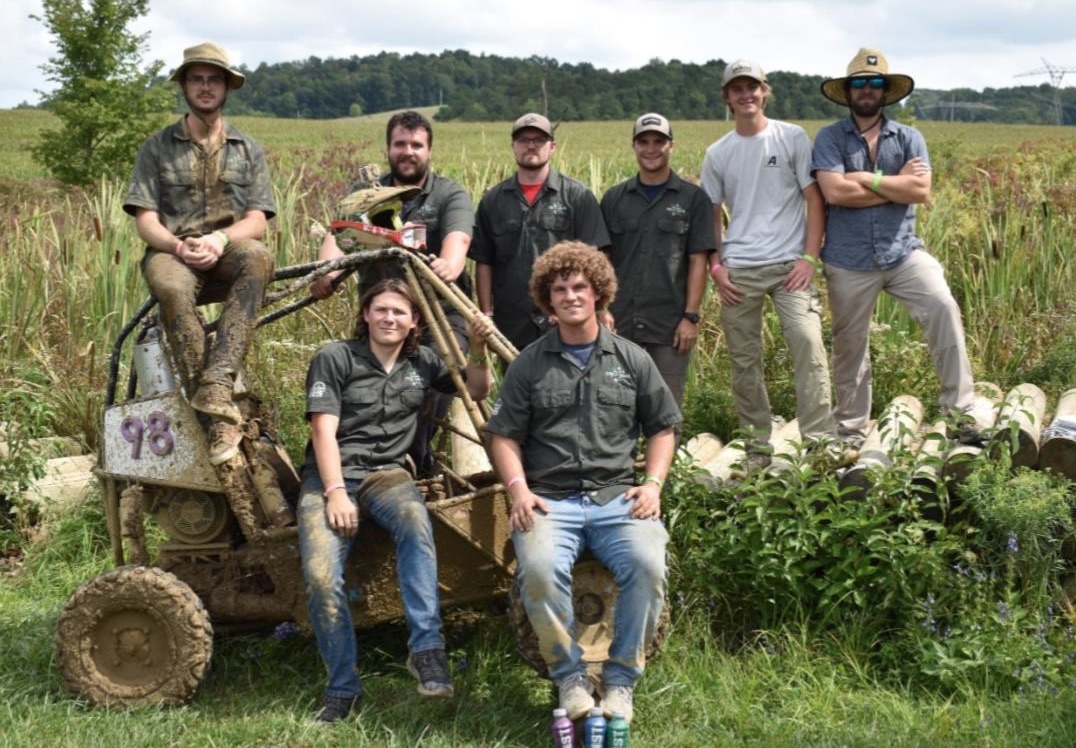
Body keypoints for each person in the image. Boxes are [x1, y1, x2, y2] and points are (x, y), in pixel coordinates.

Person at [486, 242, 681, 724]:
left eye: (579, 288)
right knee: (538, 567)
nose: (571, 296)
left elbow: (662, 427)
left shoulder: (631, 360)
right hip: (550, 503)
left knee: (648, 565)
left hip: (618, 499)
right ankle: (569, 676)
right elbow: (503, 436)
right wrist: (518, 489)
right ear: (547, 300)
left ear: (598, 294)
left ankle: (620, 682)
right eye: (559, 290)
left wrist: (653, 483)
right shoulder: (529, 364)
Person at [297, 278, 492, 724]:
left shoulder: (422, 361)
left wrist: (477, 347)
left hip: (387, 474)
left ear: (414, 321)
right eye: (381, 310)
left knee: (414, 520)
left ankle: (426, 650)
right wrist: (335, 493)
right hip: (330, 478)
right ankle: (342, 688)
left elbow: (476, 390)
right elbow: (322, 431)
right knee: (322, 577)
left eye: (400, 312)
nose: (390, 318)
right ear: (366, 314)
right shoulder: (335, 357)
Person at [811, 48, 982, 447]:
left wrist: (865, 179)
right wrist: (892, 186)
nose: (867, 90)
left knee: (943, 307)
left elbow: (920, 190)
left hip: (903, 251)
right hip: (848, 258)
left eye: (874, 83)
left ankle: (959, 414)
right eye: (859, 83)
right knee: (850, 345)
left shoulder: (909, 137)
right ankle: (851, 430)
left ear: (886, 91)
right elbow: (834, 192)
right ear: (848, 90)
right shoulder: (830, 137)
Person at [123, 42, 276, 466]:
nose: (205, 87)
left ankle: (217, 382)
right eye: (197, 79)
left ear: (227, 88)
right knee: (171, 287)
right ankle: (212, 418)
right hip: (172, 250)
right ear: (185, 87)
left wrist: (220, 241)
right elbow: (145, 219)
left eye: (214, 79)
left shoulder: (247, 149)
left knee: (258, 257)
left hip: (227, 250)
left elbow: (258, 218)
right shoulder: (157, 147)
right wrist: (177, 245)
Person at [312, 111, 476, 476]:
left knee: (426, 384)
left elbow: (458, 239)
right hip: (384, 316)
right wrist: (327, 273)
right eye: (400, 144)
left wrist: (449, 265)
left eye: (416, 145)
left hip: (439, 318)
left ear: (429, 150)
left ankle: (411, 464)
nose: (408, 152)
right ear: (389, 148)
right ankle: (358, 463)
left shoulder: (449, 194)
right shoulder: (365, 194)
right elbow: (338, 236)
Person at [700, 60, 838, 469]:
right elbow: (710, 214)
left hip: (789, 266)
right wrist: (717, 267)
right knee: (744, 361)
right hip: (739, 270)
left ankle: (819, 444)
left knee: (808, 344)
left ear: (765, 91)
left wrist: (810, 258)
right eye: (737, 89)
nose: (746, 95)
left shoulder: (791, 137)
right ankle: (757, 448)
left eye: (753, 87)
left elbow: (815, 199)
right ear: (727, 97)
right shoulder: (718, 153)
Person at [470, 113, 611, 352]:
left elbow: (595, 260)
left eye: (539, 140)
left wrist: (596, 310)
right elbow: (484, 262)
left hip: (565, 318)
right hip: (511, 323)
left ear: (552, 147)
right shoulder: (493, 201)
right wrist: (486, 313)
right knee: (516, 386)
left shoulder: (577, 196)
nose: (531, 145)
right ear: (514, 146)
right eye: (523, 140)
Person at [600, 113, 713, 405]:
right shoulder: (614, 199)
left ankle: (667, 453)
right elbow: (602, 260)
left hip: (671, 326)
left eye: (659, 142)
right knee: (617, 402)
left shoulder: (692, 199)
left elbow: (698, 260)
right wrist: (602, 308)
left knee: (667, 404)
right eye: (644, 142)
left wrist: (690, 317)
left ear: (671, 146)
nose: (651, 148)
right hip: (621, 323)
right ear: (634, 146)